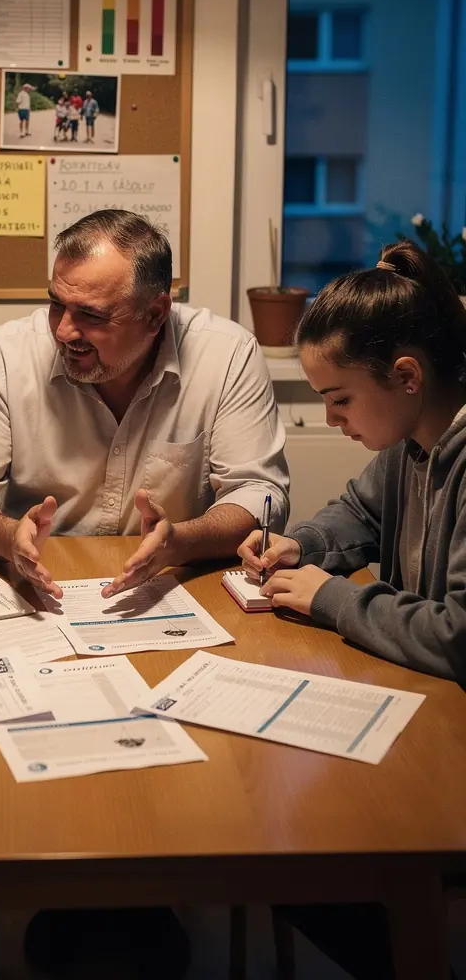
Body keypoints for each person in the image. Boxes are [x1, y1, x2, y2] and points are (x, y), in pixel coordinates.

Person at [237, 236, 466, 979]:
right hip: (427, 713)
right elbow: (354, 516)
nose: (332, 418)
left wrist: (333, 598)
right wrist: (298, 547)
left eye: (338, 398)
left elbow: (458, 638)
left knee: (293, 857)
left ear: (406, 374)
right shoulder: (412, 446)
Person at [0, 209, 289, 601]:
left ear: (154, 315)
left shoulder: (228, 355)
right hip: (41, 583)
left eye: (91, 315)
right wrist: (8, 536)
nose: (64, 331)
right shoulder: (7, 354)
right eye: (56, 304)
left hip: (174, 585)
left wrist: (181, 542)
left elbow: (258, 493)